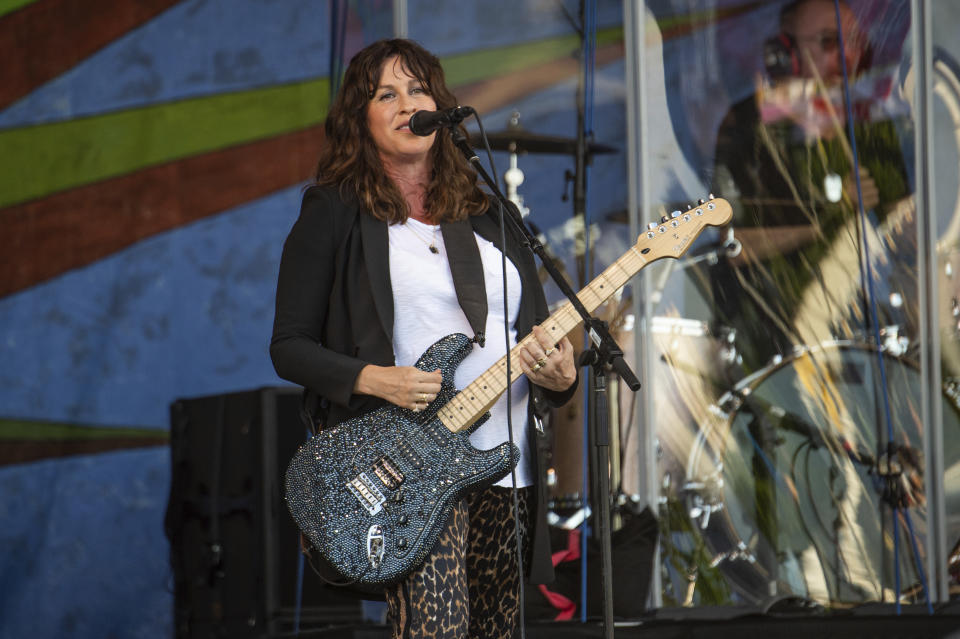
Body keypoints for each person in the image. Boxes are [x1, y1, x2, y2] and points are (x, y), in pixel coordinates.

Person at [270, 38, 578, 638]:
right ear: (359, 120)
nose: (407, 102)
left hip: (504, 464)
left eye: (417, 89)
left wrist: (562, 377)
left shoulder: (492, 215)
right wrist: (373, 378)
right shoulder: (333, 212)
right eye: (386, 94)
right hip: (414, 466)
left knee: (497, 630)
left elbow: (541, 338)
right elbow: (289, 345)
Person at [709, 0, 910, 372]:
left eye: (853, 41)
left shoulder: (873, 126)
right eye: (829, 41)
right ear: (784, 55)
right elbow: (734, 245)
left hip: (872, 343)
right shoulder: (748, 130)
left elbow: (910, 229)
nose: (847, 55)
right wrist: (831, 210)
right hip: (774, 353)